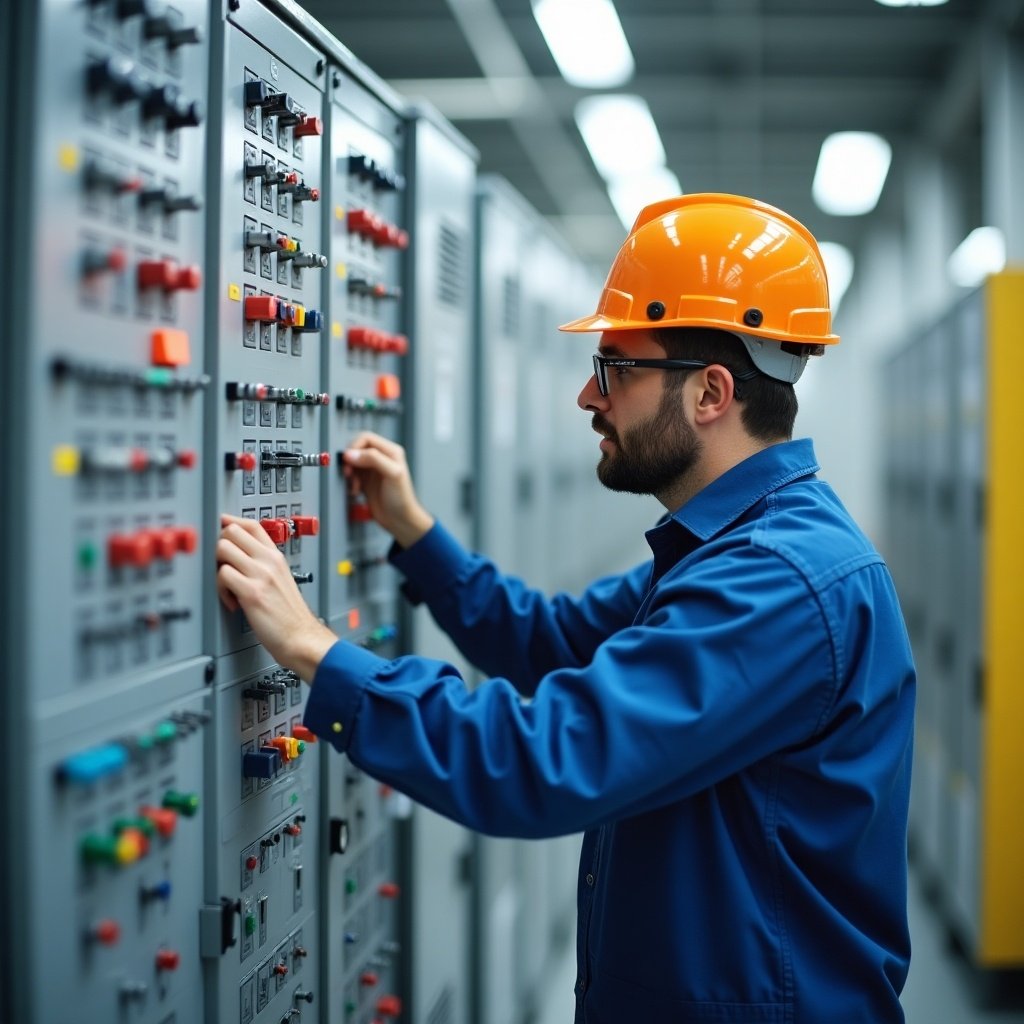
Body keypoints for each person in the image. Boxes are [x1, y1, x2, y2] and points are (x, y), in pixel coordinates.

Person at [217, 193, 916, 1024]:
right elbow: (554, 641)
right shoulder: (726, 549)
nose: (590, 397)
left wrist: (314, 650)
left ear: (710, 393)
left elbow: (543, 761)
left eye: (616, 368)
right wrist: (416, 532)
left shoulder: (777, 582)